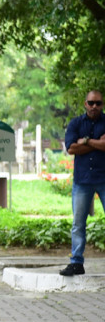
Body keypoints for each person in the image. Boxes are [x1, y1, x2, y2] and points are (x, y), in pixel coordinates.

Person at [61, 90, 105, 276]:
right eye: (91, 103)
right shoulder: (76, 123)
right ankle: (76, 263)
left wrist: (85, 142)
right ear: (85, 104)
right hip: (82, 180)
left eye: (98, 103)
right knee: (78, 224)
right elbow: (71, 148)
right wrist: (96, 143)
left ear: (102, 104)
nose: (94, 106)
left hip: (104, 178)